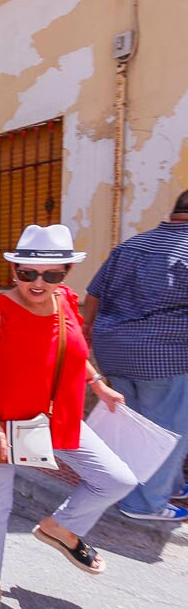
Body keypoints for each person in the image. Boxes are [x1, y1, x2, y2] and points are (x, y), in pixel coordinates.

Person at [0, 224, 136, 609]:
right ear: (14, 269)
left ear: (66, 273)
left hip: (56, 419)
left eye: (51, 274)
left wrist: (97, 382)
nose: (38, 282)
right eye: (27, 273)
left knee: (117, 479)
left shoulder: (66, 301)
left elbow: (68, 350)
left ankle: (59, 528)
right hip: (1, 423)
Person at [81, 191, 188, 521]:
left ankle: (165, 484)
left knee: (138, 425)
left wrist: (87, 331)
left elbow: (93, 294)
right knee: (170, 427)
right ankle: (144, 504)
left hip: (114, 349)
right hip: (166, 354)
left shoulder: (131, 245)